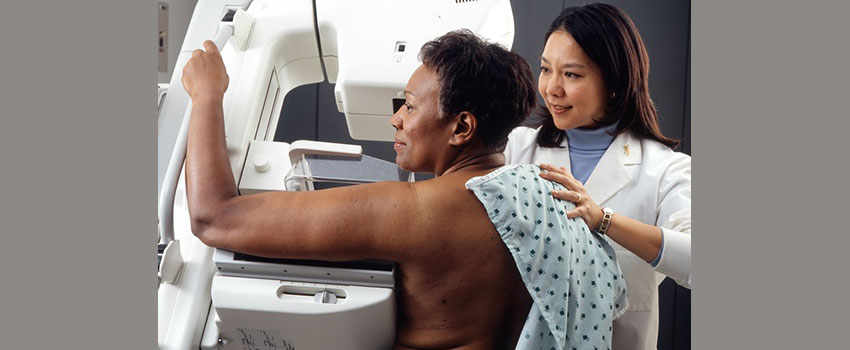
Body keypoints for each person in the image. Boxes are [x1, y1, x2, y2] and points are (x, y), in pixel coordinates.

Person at [182, 30, 626, 350]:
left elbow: (213, 216)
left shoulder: (417, 212)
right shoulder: (551, 199)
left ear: (461, 127)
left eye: (410, 106)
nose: (396, 119)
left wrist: (207, 96)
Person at [503, 4, 691, 349]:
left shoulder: (665, 169)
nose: (552, 88)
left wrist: (603, 219)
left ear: (614, 83)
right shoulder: (515, 149)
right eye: (546, 69)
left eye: (572, 75)